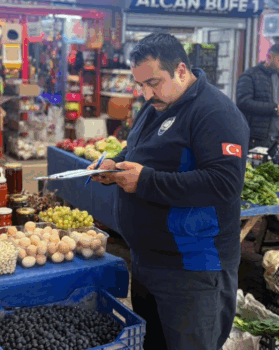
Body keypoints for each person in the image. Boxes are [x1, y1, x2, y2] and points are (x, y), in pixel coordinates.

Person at [88, 33, 249, 350]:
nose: (146, 94)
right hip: (150, 262)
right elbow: (142, 156)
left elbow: (225, 183)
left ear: (181, 70)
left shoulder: (216, 114)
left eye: (154, 82)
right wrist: (115, 166)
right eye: (141, 86)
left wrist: (145, 181)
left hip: (192, 271)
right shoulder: (156, 106)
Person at [236, 42, 279, 149]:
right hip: (256, 138)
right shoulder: (250, 75)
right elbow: (243, 102)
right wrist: (274, 108)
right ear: (269, 57)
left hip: (276, 138)